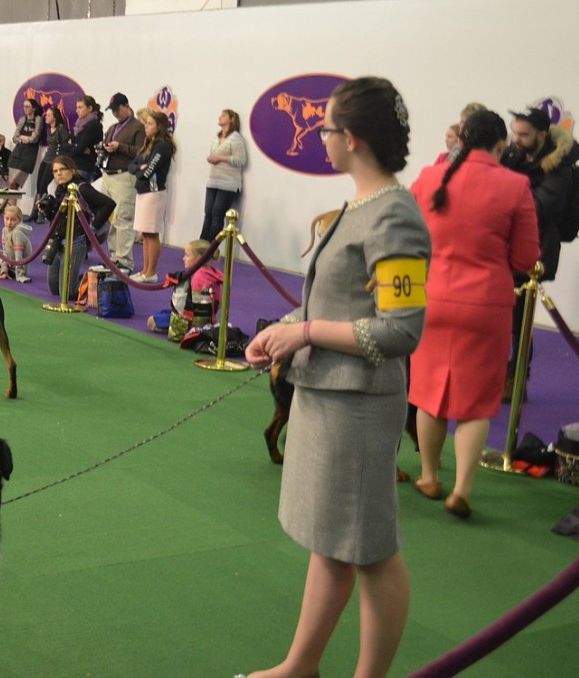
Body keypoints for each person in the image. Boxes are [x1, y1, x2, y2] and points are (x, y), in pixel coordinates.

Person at [241, 76, 430, 678]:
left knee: (371, 550)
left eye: (324, 128)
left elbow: (400, 332)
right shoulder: (360, 205)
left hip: (359, 407)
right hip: (328, 400)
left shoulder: (395, 216)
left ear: (350, 138)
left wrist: (306, 333)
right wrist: (285, 327)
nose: (319, 137)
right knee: (334, 543)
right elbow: (340, 303)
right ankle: (301, 666)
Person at [409, 110, 540, 519]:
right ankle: (462, 489)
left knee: (430, 394)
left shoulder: (428, 178)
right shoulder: (516, 185)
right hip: (487, 305)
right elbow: (524, 257)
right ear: (500, 146)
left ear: (460, 140)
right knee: (477, 402)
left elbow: (409, 235)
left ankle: (430, 476)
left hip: (431, 298)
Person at [500, 107, 579, 397]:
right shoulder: (513, 155)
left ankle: (518, 377)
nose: (516, 139)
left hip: (536, 250)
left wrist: (502, 200)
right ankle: (500, 373)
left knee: (520, 319)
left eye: (524, 135)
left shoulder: (558, 167)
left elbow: (538, 209)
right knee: (501, 315)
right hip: (506, 246)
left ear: (542, 135)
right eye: (515, 133)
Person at [40, 155, 115, 300]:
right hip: (58, 240)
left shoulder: (82, 188)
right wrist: (47, 210)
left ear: (72, 170)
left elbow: (109, 204)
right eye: (55, 171)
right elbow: (59, 218)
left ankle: (95, 279)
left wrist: (91, 229)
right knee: (53, 288)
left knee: (67, 293)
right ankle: (81, 278)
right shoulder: (60, 189)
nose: (59, 174)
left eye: (62, 169)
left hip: (76, 241)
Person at [129, 110, 175, 283]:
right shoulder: (148, 143)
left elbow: (149, 171)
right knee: (145, 233)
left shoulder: (162, 146)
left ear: (159, 127)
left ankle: (151, 272)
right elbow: (132, 166)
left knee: (152, 232)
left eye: (149, 124)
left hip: (154, 193)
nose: (145, 127)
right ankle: (145, 270)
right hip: (143, 192)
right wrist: (139, 168)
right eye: (145, 123)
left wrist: (140, 170)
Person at [147, 239, 224, 341]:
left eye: (187, 255)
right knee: (162, 313)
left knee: (151, 321)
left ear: (199, 259)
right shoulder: (212, 274)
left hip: (192, 321)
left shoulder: (198, 279)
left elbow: (194, 309)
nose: (184, 258)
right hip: (209, 319)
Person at [101, 92, 145, 272]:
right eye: (113, 110)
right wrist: (103, 150)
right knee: (111, 218)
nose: (115, 113)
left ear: (127, 106)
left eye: (117, 109)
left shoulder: (138, 127)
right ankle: (114, 257)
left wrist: (120, 147)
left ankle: (125, 260)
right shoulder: (113, 128)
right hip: (108, 174)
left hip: (125, 175)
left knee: (124, 218)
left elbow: (141, 152)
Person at [201, 108, 248, 241]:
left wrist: (221, 158)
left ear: (232, 120)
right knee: (208, 214)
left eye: (224, 115)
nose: (220, 117)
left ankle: (210, 247)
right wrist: (212, 158)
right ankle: (201, 243)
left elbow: (240, 160)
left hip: (228, 183)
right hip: (213, 180)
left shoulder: (236, 138)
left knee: (217, 215)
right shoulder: (216, 138)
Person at [31, 106, 70, 223]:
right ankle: (38, 210)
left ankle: (43, 212)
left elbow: (66, 145)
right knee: (39, 186)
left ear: (55, 117)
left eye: (49, 115)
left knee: (44, 186)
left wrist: (61, 162)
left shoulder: (61, 129)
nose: (46, 117)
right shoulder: (49, 129)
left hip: (54, 160)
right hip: (46, 158)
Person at [7, 98, 43, 196]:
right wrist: (25, 139)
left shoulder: (38, 119)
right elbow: (15, 137)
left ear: (34, 108)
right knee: (11, 184)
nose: (25, 109)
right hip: (17, 153)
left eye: (27, 106)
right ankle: (6, 206)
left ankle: (10, 208)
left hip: (28, 156)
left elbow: (34, 138)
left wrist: (23, 137)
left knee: (15, 183)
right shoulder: (22, 119)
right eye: (24, 106)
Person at [65, 94, 104, 183]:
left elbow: (79, 147)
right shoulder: (79, 124)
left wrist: (74, 147)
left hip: (84, 167)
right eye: (76, 107)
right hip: (74, 165)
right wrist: (75, 146)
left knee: (79, 195)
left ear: (90, 108)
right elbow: (68, 143)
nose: (77, 110)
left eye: (80, 107)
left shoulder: (94, 125)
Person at [0, 205, 33, 283]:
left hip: (15, 269)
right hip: (8, 262)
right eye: (7, 219)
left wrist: (20, 275)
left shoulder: (17, 233)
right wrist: (4, 270)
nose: (9, 222)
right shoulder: (5, 230)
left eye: (13, 220)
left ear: (19, 221)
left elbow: (19, 257)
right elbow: (4, 252)